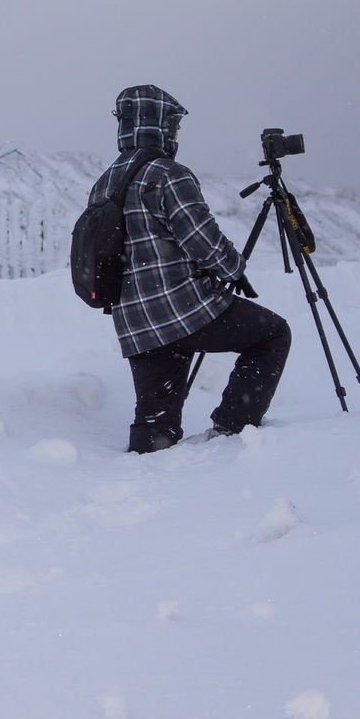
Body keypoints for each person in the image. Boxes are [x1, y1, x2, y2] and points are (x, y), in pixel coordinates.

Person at [90, 84, 291, 453]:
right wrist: (234, 268)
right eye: (175, 126)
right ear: (158, 125)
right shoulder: (168, 174)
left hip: (136, 323)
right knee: (272, 336)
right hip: (184, 311)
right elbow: (205, 243)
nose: (177, 133)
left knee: (155, 428)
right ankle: (232, 431)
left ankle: (145, 477)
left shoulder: (105, 182)